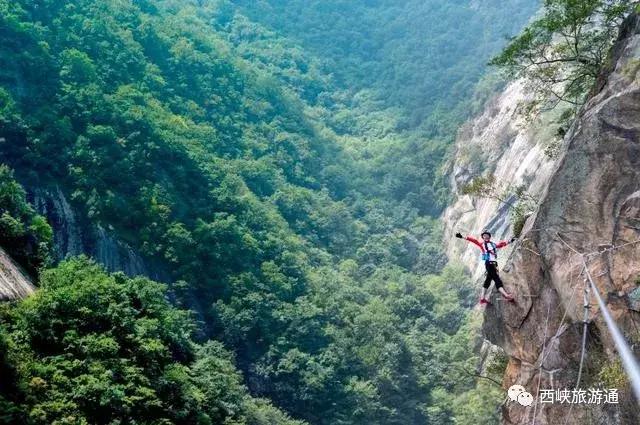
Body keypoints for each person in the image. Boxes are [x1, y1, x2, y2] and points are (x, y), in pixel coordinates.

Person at [455, 230, 516, 305]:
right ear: (483, 238)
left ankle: (482, 298)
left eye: (487, 235)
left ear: (489, 237)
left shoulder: (493, 244)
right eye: (484, 236)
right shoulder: (482, 244)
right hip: (489, 264)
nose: (485, 237)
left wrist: (510, 241)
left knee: (488, 280)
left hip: (493, 264)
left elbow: (501, 244)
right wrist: (462, 237)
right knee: (496, 279)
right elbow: (474, 241)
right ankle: (506, 295)